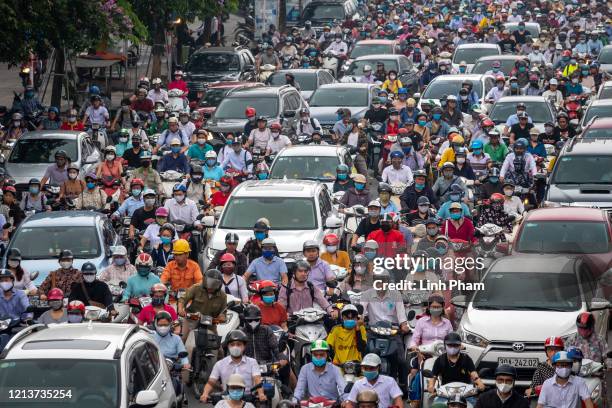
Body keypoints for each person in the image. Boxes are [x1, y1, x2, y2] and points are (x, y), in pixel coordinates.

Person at [359, 270, 409, 391]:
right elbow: (361, 313)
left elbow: (402, 315)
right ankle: (362, 384)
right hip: (373, 331)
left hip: (392, 331)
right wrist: (359, 319)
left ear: (388, 281)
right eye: (378, 280)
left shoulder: (396, 294)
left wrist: (404, 325)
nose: (381, 283)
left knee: (402, 360)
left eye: (383, 280)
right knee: (365, 356)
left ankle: (403, 387)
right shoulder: (366, 294)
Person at [200, 330, 266, 403]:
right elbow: (211, 382)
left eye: (238, 344)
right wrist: (205, 394)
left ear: (244, 346)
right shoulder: (219, 364)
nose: (235, 347)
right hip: (226, 400)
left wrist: (261, 394)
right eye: (232, 344)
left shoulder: (252, 362)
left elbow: (257, 380)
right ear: (228, 346)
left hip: (248, 401)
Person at [428, 332, 485, 406]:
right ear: (445, 345)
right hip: (445, 395)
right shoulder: (440, 360)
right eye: (450, 345)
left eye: (455, 345)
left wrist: (480, 383)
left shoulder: (466, 359)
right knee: (436, 405)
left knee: (476, 405)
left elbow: (474, 374)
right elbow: (433, 377)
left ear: (460, 346)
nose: (453, 347)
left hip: (466, 395)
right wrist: (431, 386)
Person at [152, 311, 190, 378]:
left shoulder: (176, 338)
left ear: (170, 324)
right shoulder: (149, 336)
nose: (163, 327)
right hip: (153, 367)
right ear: (155, 324)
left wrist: (185, 363)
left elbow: (183, 354)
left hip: (173, 369)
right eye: (160, 325)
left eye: (165, 325)